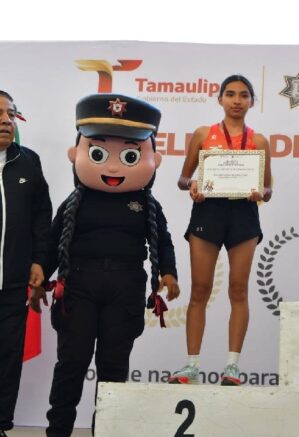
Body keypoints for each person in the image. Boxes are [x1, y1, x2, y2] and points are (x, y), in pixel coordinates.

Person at [32, 93, 179, 437]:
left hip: (125, 288)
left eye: (129, 155)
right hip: (78, 285)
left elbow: (164, 241)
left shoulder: (146, 205)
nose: (113, 167)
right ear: (76, 154)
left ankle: (108, 431)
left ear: (154, 159)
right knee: (71, 363)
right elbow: (54, 241)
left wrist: (168, 272)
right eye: (99, 154)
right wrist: (39, 269)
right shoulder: (75, 201)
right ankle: (58, 431)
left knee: (114, 367)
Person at [168, 74, 272, 385]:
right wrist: (193, 185)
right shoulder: (204, 134)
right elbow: (183, 179)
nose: (237, 100)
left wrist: (261, 193)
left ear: (251, 101)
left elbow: (268, 188)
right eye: (230, 94)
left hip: (244, 215)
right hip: (208, 211)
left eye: (243, 95)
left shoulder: (259, 141)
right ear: (220, 99)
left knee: (238, 290)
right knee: (199, 289)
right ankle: (191, 366)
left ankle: (232, 367)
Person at [0, 91, 52, 437]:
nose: (6, 120)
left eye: (10, 114)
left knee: (7, 358)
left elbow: (42, 216)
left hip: (13, 283)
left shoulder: (28, 161)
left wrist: (39, 261)